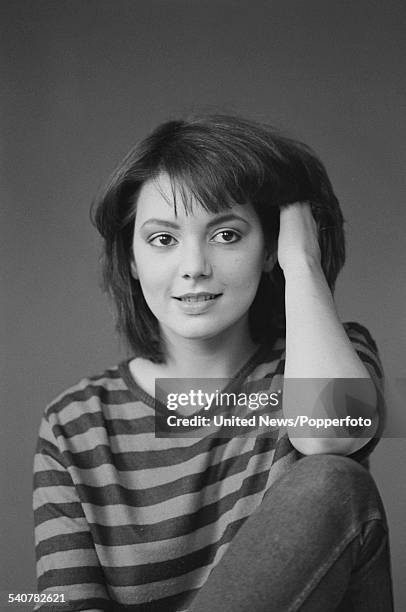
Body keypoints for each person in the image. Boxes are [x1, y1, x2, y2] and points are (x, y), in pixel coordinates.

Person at [33, 114, 394, 611]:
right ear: (132, 261)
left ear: (268, 249)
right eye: (163, 239)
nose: (194, 266)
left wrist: (302, 264)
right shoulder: (74, 423)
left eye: (226, 235)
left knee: (334, 480)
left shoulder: (332, 355)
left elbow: (329, 434)